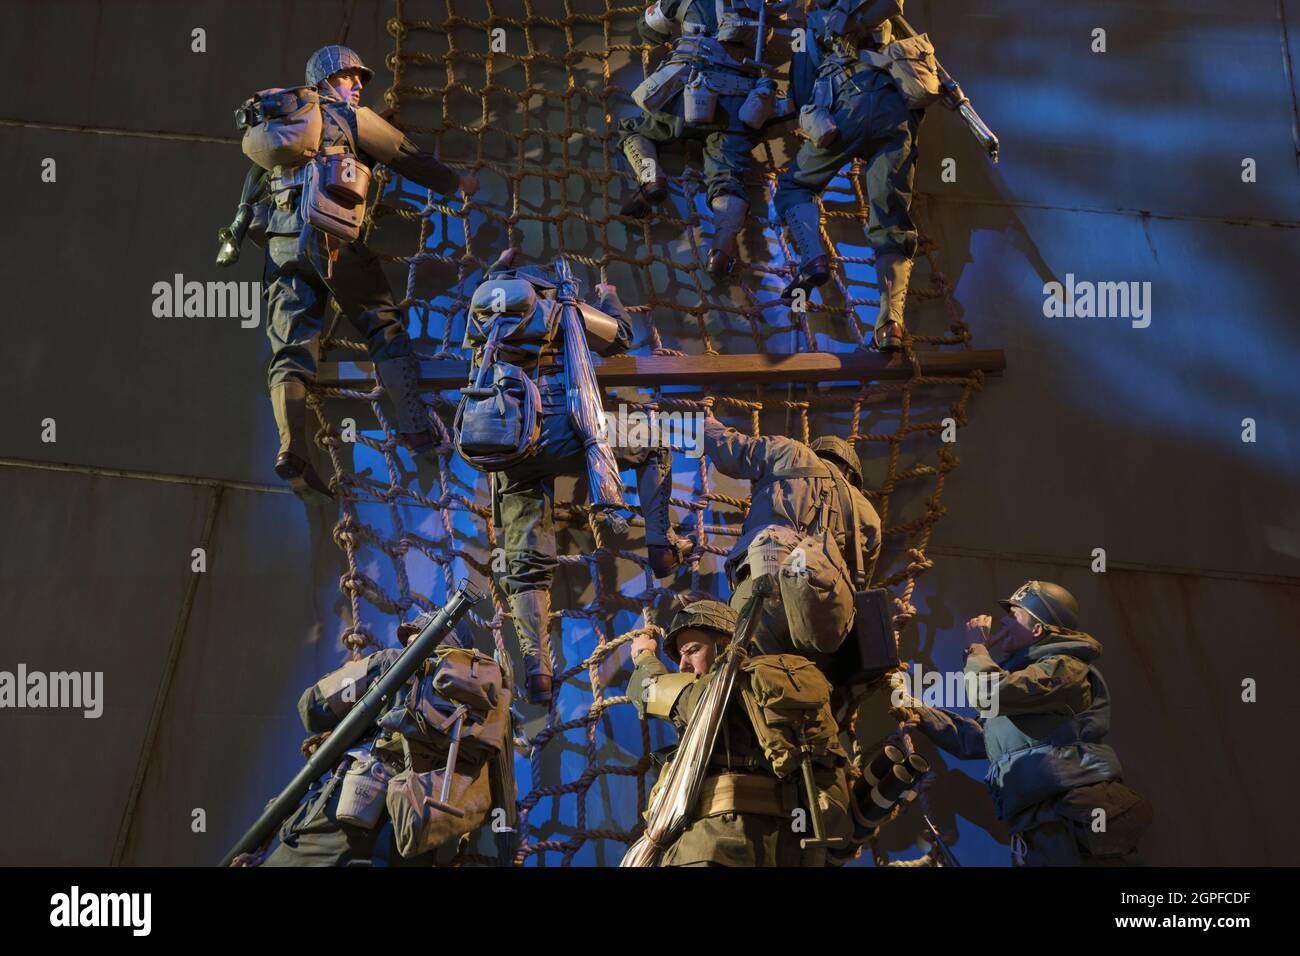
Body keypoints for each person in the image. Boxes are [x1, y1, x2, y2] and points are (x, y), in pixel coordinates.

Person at [222, 44, 480, 501]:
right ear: (324, 82)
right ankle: (416, 429)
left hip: (281, 248)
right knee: (383, 323)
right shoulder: (347, 117)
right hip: (331, 239)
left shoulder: (285, 126)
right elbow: (406, 156)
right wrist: (457, 182)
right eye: (348, 76)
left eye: (359, 77)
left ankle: (291, 450)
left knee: (290, 349)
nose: (358, 84)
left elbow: (252, 186)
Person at [459, 252, 687, 705]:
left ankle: (536, 669)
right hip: (568, 432)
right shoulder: (561, 307)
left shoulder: (482, 312)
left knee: (523, 558)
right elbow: (620, 337)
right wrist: (608, 298)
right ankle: (661, 543)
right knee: (655, 440)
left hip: (507, 441)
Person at [899, 581, 1153, 866]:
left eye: (1014, 615)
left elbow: (988, 693)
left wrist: (977, 648)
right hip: (1039, 824)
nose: (1004, 621)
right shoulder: (1022, 688)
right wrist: (910, 705)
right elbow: (973, 739)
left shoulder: (1065, 669)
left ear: (1037, 630)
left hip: (1074, 816)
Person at [627, 598, 855, 866]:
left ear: (724, 645)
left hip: (714, 845)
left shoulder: (715, 691)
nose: (683, 666)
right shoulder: (781, 688)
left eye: (692, 650)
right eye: (680, 656)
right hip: (783, 848)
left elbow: (648, 689)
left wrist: (643, 655)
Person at [259, 613, 498, 866]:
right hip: (414, 840)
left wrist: (350, 673)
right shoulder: (484, 709)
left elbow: (313, 709)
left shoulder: (393, 663)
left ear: (420, 635)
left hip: (346, 825)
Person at [774, 0, 923, 351]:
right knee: (891, 219)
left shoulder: (815, 19)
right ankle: (891, 325)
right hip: (895, 112)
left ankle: (813, 259)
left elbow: (801, 91)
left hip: (847, 107)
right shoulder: (891, 19)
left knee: (795, 185)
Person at [702, 410, 882, 669]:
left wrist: (708, 426)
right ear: (851, 472)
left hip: (766, 574)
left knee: (749, 676)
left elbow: (733, 453)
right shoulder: (867, 513)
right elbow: (858, 585)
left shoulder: (792, 452)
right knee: (803, 686)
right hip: (818, 612)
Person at [616, 0, 778, 278]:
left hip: (685, 90)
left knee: (634, 130)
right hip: (737, 101)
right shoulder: (759, 5)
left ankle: (651, 179)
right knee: (729, 177)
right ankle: (720, 253)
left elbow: (649, 31)